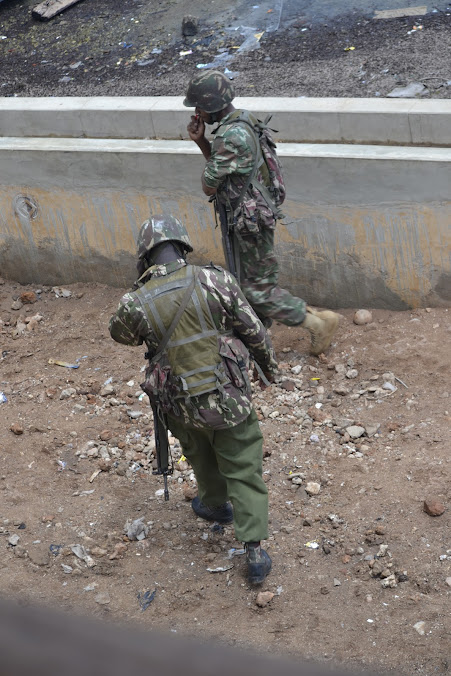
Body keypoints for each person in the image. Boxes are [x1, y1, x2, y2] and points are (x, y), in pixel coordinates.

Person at [109, 214, 278, 585]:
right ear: (183, 246)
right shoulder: (216, 280)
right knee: (244, 465)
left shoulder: (135, 302)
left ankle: (215, 505)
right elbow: (254, 331)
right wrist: (269, 370)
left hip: (180, 404)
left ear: (145, 257)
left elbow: (119, 334)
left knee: (199, 450)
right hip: (228, 399)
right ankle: (254, 551)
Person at [184, 70, 339, 356]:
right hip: (256, 216)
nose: (196, 113)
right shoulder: (243, 119)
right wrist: (204, 142)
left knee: (256, 289)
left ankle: (315, 323)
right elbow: (228, 170)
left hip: (251, 224)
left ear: (211, 105)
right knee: (253, 283)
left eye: (199, 107)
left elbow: (209, 184)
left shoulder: (230, 138)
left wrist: (201, 142)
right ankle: (276, 329)